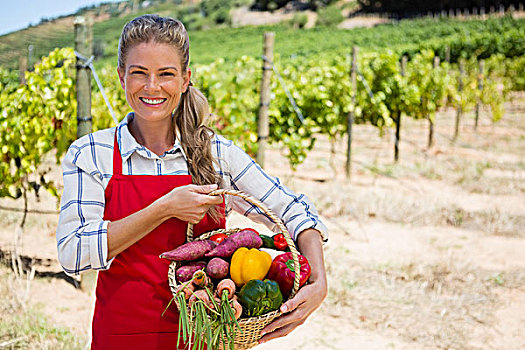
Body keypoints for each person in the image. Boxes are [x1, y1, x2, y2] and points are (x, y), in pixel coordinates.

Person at [56, 14, 328, 349]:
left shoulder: (215, 153)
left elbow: (292, 209)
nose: (152, 87)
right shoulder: (91, 154)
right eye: (139, 73)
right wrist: (163, 209)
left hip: (207, 338)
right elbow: (72, 253)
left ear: (186, 79)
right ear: (121, 77)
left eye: (166, 74)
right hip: (122, 336)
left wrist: (318, 280)